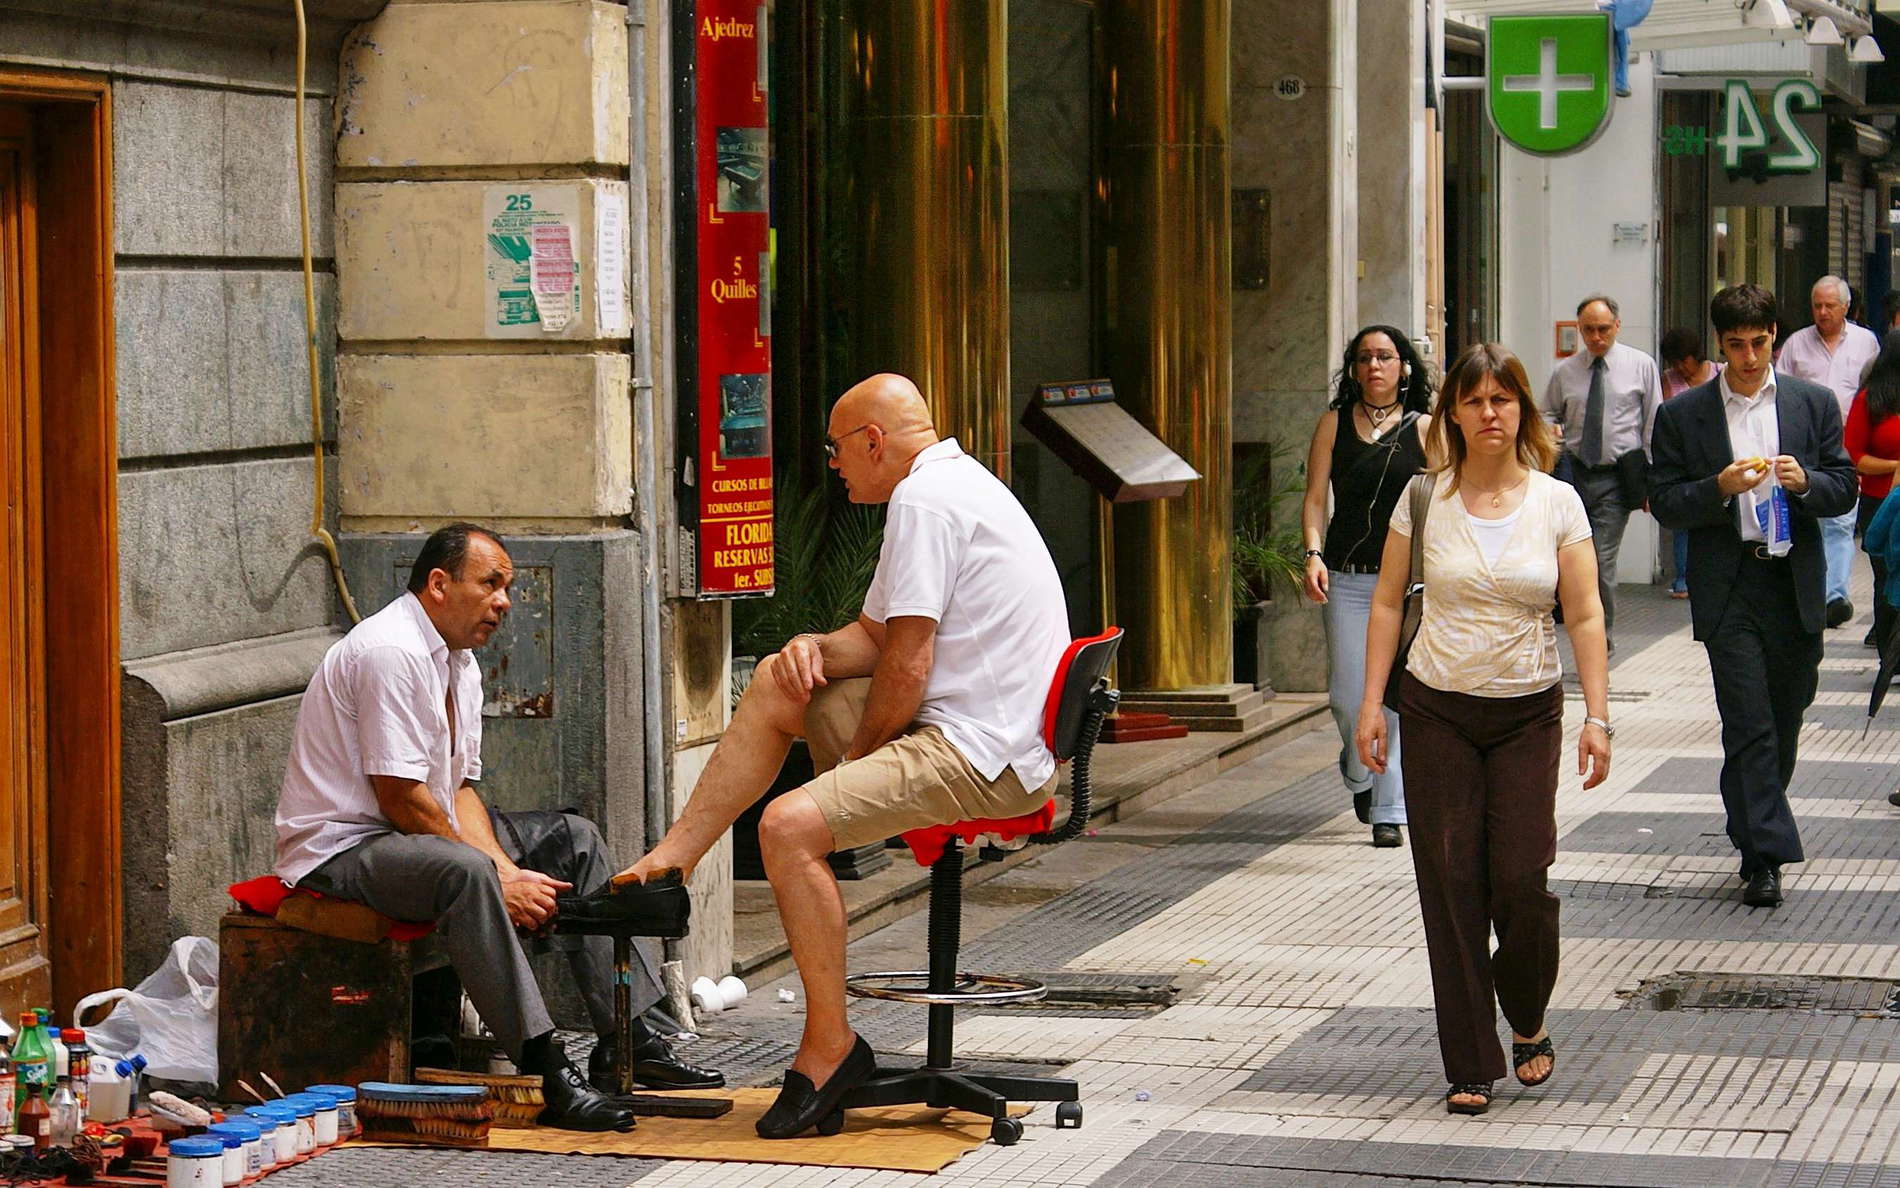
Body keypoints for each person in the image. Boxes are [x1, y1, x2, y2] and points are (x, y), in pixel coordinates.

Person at [613, 373, 1072, 1139]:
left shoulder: (925, 501)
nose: (833, 465)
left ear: (873, 442)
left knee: (788, 828)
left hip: (980, 752)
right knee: (780, 682)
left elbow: (908, 666)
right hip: (983, 728)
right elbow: (872, 639)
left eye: (835, 449)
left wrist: (855, 763)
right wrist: (808, 648)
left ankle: (831, 1047)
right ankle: (673, 864)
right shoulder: (946, 483)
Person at [273, 524, 723, 1133]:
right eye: (490, 584)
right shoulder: (391, 651)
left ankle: (632, 1035)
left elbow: (458, 791)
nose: (504, 601)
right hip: (344, 847)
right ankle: (546, 1066)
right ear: (439, 583)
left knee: (575, 839)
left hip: (409, 834)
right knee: (465, 872)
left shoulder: (459, 661)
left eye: (506, 587)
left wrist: (508, 869)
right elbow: (403, 801)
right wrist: (493, 874)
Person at [1357, 343, 1612, 1118]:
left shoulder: (1556, 502)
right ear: (1454, 414)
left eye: (1504, 399)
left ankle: (1527, 1012)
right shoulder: (1423, 497)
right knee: (1450, 879)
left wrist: (1598, 716)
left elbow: (1586, 612)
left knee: (1521, 879)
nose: (1490, 413)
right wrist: (1373, 703)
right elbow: (1389, 602)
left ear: (1523, 411)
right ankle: (1471, 1058)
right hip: (1436, 706)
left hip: (1528, 710)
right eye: (1475, 401)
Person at [1649, 284, 1858, 909]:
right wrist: (1715, 486)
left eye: (1759, 342)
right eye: (1736, 345)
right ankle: (1764, 856)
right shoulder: (1683, 415)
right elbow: (1663, 500)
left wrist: (1807, 481)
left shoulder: (1811, 404)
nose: (1748, 356)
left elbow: (1844, 486)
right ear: (1720, 344)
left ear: (1774, 336)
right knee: (1748, 722)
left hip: (1791, 578)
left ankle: (1751, 827)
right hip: (1729, 581)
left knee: (1785, 716)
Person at [1299, 325, 1433, 848]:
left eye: (1385, 357)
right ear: (1353, 370)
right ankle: (1358, 771)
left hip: (1405, 584)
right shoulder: (1333, 424)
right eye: (1363, 358)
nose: (1374, 366)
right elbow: (1315, 499)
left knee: (1392, 696)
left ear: (1404, 368)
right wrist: (1313, 553)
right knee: (1348, 696)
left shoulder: (1426, 428)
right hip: (1349, 579)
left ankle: (1387, 809)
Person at [1540, 294, 1662, 653]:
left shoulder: (1641, 366)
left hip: (1617, 474)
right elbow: (1546, 412)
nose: (1596, 337)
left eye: (1603, 329)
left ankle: (1599, 638)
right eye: (1589, 330)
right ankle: (1571, 626)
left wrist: (1652, 479)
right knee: (1568, 558)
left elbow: (1654, 422)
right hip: (1574, 473)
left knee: (1600, 559)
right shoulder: (1565, 372)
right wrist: (1550, 430)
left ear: (1617, 326)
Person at [1775, 275, 1879, 629]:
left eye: (1829, 306)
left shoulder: (1866, 343)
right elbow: (1778, 391)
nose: (1822, 312)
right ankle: (1816, 592)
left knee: (1839, 522)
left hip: (1847, 445)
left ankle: (1834, 596)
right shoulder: (1796, 345)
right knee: (1810, 522)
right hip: (1804, 446)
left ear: (1846, 307)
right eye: (1816, 305)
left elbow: (1874, 395)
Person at [1846, 328, 1900, 651]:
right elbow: (1853, 454)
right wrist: (1894, 467)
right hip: (1880, 503)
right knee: (1886, 579)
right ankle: (1889, 652)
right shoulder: (1870, 400)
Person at [1660, 329, 1722, 599]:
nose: (1679, 368)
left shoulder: (1719, 373)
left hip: (1715, 457)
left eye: (1683, 361)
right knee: (1682, 523)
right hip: (1683, 458)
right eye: (1674, 363)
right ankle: (1683, 578)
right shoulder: (1668, 381)